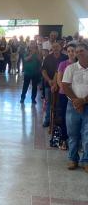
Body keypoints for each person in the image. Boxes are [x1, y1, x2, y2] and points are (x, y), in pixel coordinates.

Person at [62, 43, 88, 171]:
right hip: (73, 105)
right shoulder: (71, 68)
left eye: (81, 51)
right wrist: (76, 101)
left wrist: (83, 100)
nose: (78, 53)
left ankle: (86, 160)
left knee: (87, 134)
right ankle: (72, 159)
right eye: (76, 51)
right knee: (73, 134)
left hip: (87, 104)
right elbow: (66, 86)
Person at [41, 42, 68, 127]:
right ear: (51, 48)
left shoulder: (65, 58)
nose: (55, 48)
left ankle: (58, 120)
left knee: (59, 103)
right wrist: (49, 80)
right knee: (49, 102)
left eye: (57, 46)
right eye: (54, 47)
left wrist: (57, 82)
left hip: (61, 85)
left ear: (61, 47)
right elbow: (43, 70)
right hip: (49, 84)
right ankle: (47, 120)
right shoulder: (48, 58)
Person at [56, 44, 77, 150]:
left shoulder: (80, 64)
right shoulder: (63, 64)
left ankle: (77, 141)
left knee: (77, 118)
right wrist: (67, 91)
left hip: (77, 95)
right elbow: (59, 80)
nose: (70, 53)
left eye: (73, 51)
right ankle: (64, 139)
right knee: (65, 117)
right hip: (64, 94)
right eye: (68, 51)